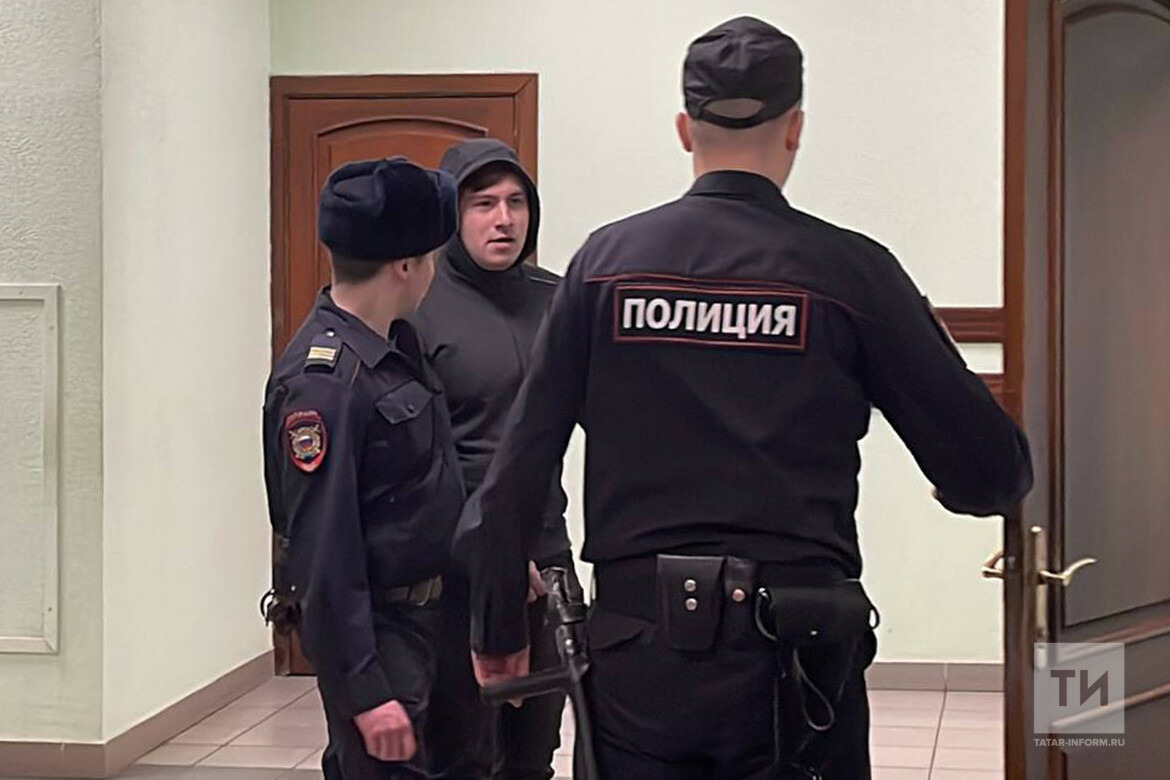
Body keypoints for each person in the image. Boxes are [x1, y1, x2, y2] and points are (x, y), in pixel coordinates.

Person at [456, 16, 1034, 780]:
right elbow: (992, 472)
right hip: (797, 662)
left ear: (683, 130)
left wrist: (499, 622)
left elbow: (521, 460)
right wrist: (961, 481)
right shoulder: (851, 272)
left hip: (639, 662)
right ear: (795, 129)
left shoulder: (603, 267)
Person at [262, 157, 463, 780]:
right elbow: (323, 549)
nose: (434, 270)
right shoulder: (325, 384)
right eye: (432, 257)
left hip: (431, 621)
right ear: (405, 265)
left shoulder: (394, 346)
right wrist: (365, 689)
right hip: (382, 635)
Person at [412, 139, 579, 780]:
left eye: (516, 202)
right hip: (456, 568)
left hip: (547, 553)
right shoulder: (418, 305)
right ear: (452, 215)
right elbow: (417, 461)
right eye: (483, 204)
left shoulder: (557, 299)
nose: (504, 219)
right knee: (462, 754)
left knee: (534, 751)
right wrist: (494, 555)